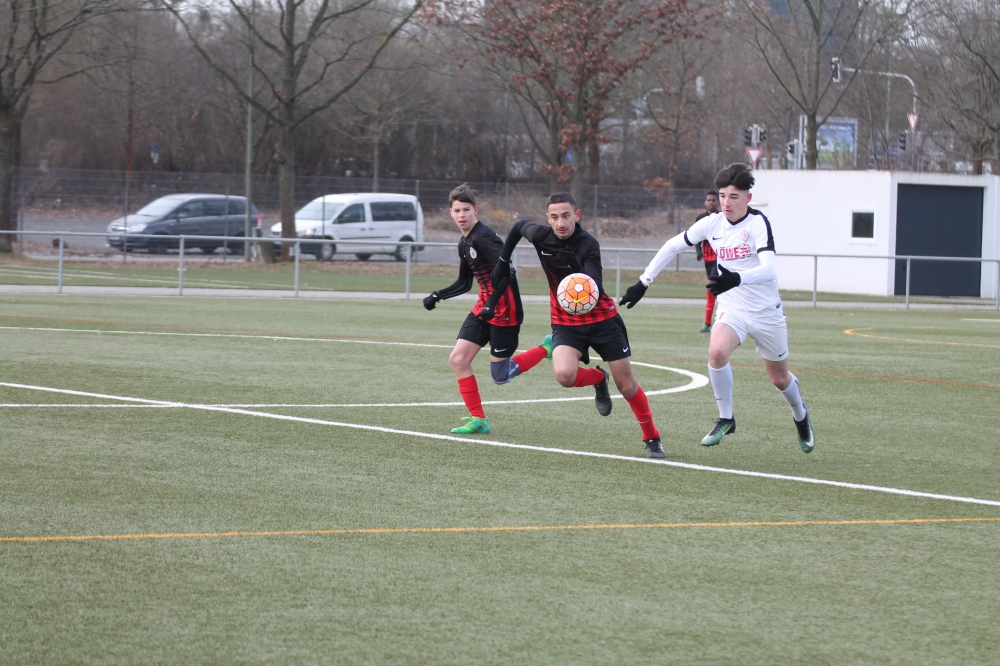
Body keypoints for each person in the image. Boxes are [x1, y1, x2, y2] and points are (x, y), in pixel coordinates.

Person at [618, 164, 815, 453]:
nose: (726, 202)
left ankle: (800, 415)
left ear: (748, 198)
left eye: (734, 196)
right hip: (733, 307)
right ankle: (726, 418)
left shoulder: (758, 224)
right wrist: (643, 282)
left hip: (765, 312)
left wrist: (737, 278)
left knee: (779, 378)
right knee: (717, 352)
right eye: (722, 195)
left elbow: (769, 270)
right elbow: (672, 246)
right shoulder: (712, 223)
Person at [491, 192, 664, 458]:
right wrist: (503, 262)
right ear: (548, 218)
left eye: (566, 216)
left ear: (577, 215)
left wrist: (576, 267)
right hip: (566, 322)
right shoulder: (540, 235)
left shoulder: (588, 244)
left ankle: (652, 437)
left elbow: (595, 288)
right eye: (554, 217)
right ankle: (599, 378)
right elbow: (517, 227)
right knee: (564, 375)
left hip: (603, 321)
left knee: (627, 386)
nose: (561, 223)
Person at [423, 184, 550, 435]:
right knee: (458, 359)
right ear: (450, 213)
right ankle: (479, 419)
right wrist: (438, 295)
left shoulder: (483, 237)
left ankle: (546, 348)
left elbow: (508, 272)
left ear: (475, 210)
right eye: (457, 210)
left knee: (500, 376)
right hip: (484, 307)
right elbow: (465, 283)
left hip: (505, 309)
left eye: (466, 209)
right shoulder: (464, 242)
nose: (461, 215)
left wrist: (493, 303)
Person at [694, 190, 720, 332]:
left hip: (719, 257)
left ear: (718, 202)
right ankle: (709, 324)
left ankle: (709, 323)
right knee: (716, 289)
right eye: (709, 200)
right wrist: (699, 251)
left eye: (713, 200)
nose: (711, 202)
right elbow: (695, 236)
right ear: (705, 202)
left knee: (711, 285)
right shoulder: (701, 218)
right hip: (708, 258)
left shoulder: (722, 217)